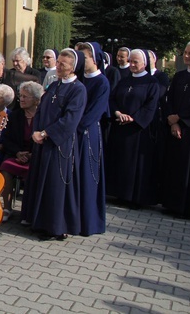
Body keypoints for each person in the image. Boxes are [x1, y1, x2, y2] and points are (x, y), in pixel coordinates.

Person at [22, 49, 87, 240]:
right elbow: (41, 110)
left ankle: (55, 226)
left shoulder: (78, 89)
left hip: (60, 145)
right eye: (57, 63)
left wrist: (46, 133)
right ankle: (39, 222)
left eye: (62, 65)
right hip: (42, 142)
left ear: (73, 67)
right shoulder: (54, 85)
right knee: (41, 182)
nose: (57, 67)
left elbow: (70, 119)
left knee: (55, 186)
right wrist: (37, 131)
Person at [105, 49, 160, 207]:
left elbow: (151, 106)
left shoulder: (151, 83)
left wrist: (134, 118)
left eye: (136, 62)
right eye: (131, 61)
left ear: (145, 63)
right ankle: (119, 193)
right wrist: (117, 113)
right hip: (120, 127)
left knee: (134, 164)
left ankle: (133, 197)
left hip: (138, 131)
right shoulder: (124, 81)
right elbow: (112, 98)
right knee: (120, 162)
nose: (132, 65)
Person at [161, 41, 190, 218]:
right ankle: (173, 204)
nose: (186, 56)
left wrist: (181, 120)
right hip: (175, 128)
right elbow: (168, 100)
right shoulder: (179, 76)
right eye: (185, 52)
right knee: (175, 166)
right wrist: (172, 121)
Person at [75, 42, 110, 236]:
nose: (82, 61)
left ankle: (87, 221)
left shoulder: (102, 82)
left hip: (87, 133)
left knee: (87, 176)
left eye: (85, 58)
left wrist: (75, 126)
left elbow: (95, 112)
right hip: (74, 132)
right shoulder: (79, 79)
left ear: (94, 59)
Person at [0, 81, 43, 222]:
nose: (21, 99)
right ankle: (7, 207)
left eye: (25, 96)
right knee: (5, 166)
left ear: (36, 100)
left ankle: (28, 211)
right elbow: (6, 139)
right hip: (16, 155)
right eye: (20, 96)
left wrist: (31, 154)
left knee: (35, 171)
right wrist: (18, 153)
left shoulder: (43, 117)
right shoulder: (15, 116)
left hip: (36, 156)